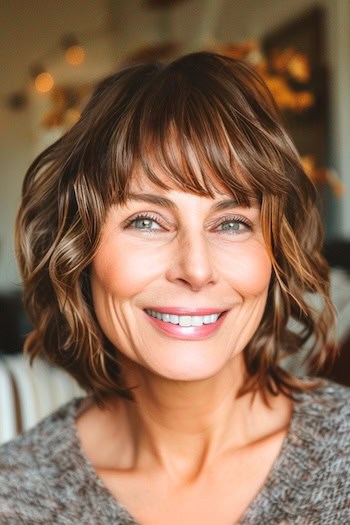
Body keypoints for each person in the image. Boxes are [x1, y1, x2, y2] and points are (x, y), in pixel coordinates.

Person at [0, 51, 349, 525]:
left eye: (230, 223)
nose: (197, 268)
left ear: (276, 254)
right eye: (146, 220)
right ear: (77, 250)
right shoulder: (16, 496)